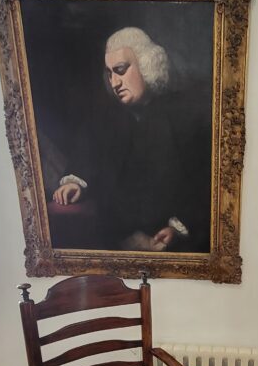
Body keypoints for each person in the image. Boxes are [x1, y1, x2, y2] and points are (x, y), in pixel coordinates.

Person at [50, 27, 211, 253]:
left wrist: (177, 229)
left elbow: (204, 184)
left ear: (146, 64)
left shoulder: (184, 116)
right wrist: (74, 183)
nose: (115, 82)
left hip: (170, 241)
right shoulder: (105, 121)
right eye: (110, 73)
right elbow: (87, 158)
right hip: (118, 241)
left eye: (121, 70)